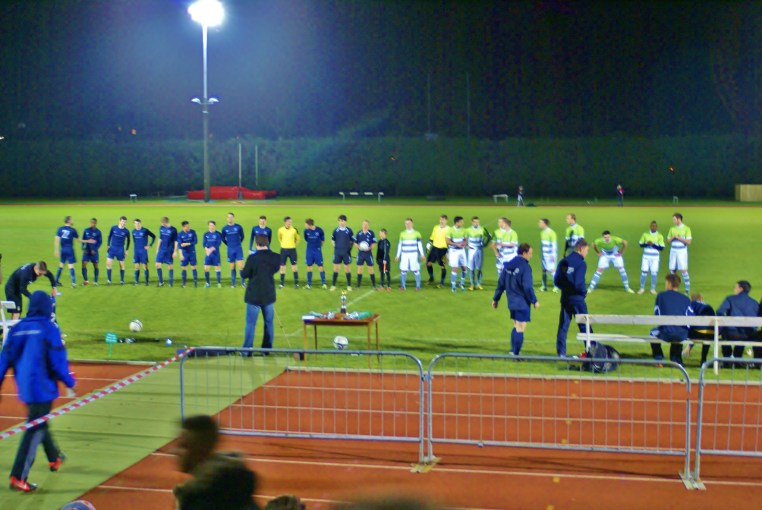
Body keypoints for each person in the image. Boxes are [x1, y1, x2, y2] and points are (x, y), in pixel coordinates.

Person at [0, 290, 76, 492]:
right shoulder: (49, 328)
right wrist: (69, 382)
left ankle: (54, 457)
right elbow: (58, 361)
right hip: (43, 387)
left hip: (25, 387)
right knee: (34, 429)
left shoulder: (17, 328)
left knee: (39, 421)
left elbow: (4, 359)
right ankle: (18, 476)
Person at [173, 415, 256, 510]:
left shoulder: (204, 499)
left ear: (200, 449)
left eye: (184, 446)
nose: (175, 451)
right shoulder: (237, 482)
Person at [493, 243, 538, 355]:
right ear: (524, 253)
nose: (531, 256)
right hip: (522, 302)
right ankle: (516, 354)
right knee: (520, 328)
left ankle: (513, 350)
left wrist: (496, 299)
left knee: (516, 325)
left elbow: (501, 283)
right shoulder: (525, 267)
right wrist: (534, 300)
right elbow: (527, 286)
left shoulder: (508, 265)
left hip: (511, 302)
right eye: (530, 253)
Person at [241, 235, 281, 350]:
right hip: (268, 295)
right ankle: (266, 349)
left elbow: (244, 274)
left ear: (256, 244)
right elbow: (275, 269)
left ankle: (247, 350)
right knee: (269, 323)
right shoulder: (276, 257)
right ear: (267, 243)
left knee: (250, 324)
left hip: (253, 296)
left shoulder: (252, 258)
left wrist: (244, 269)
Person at [554, 240, 590, 357]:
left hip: (565, 299)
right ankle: (592, 352)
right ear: (581, 249)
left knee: (563, 327)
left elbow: (556, 281)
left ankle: (561, 353)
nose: (587, 253)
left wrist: (566, 289)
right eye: (587, 250)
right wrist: (584, 292)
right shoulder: (581, 263)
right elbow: (579, 283)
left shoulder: (563, 261)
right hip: (577, 300)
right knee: (584, 326)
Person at [650, 274, 694, 365]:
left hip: (666, 333)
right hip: (682, 334)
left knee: (652, 333)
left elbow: (657, 314)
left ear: (669, 283)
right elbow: (691, 316)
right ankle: (676, 359)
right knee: (679, 330)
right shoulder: (685, 298)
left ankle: (658, 359)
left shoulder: (661, 296)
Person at [716, 280, 759, 359]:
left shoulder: (730, 299)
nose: (734, 289)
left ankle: (727, 358)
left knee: (725, 333)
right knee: (742, 336)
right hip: (748, 334)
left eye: (736, 287)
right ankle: (737, 358)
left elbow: (719, 312)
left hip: (731, 333)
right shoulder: (754, 302)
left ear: (741, 289)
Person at [395, 218, 426, 291]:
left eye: (409, 223)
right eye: (406, 223)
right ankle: (403, 286)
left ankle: (418, 286)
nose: (408, 225)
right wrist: (397, 255)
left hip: (413, 254)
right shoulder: (402, 233)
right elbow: (400, 245)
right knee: (403, 270)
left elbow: (419, 244)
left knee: (416, 270)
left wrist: (422, 254)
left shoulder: (417, 233)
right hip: (404, 254)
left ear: (412, 224)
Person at [685, 293, 716, 365]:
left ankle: (685, 351)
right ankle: (703, 359)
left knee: (687, 330)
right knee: (707, 335)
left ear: (691, 299)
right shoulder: (708, 305)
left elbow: (690, 318)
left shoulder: (692, 304)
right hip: (711, 333)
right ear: (701, 298)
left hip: (698, 332)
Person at [667, 212, 692, 294]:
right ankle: (672, 288)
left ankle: (687, 289)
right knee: (672, 270)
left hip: (681, 251)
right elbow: (668, 241)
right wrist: (673, 237)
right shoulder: (672, 229)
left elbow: (688, 242)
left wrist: (678, 238)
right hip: (673, 250)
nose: (673, 221)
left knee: (683, 270)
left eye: (674, 219)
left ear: (679, 219)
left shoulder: (686, 229)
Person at [638, 221, 665, 295]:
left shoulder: (660, 236)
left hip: (655, 257)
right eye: (652, 226)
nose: (653, 227)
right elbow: (640, 245)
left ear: (657, 227)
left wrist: (652, 245)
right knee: (644, 272)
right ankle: (641, 288)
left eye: (655, 226)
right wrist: (647, 244)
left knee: (654, 272)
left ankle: (653, 289)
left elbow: (661, 248)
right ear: (650, 226)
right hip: (646, 256)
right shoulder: (645, 234)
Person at [465, 216, 490, 290]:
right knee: (471, 268)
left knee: (479, 268)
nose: (476, 223)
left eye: (478, 222)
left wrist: (485, 244)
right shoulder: (468, 230)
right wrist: (466, 245)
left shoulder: (482, 229)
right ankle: (472, 284)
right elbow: (464, 238)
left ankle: (479, 284)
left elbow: (489, 236)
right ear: (472, 222)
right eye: (475, 222)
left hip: (479, 250)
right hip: (471, 250)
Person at [221, 212, 246, 288]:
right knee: (232, 267)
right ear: (227, 218)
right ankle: (233, 283)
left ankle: (243, 283)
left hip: (238, 249)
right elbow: (223, 239)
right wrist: (229, 244)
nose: (230, 218)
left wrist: (238, 243)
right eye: (228, 217)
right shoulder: (224, 229)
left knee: (241, 266)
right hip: (230, 250)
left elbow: (242, 236)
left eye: (231, 217)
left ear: (233, 218)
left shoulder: (238, 227)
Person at [331, 214, 354, 291]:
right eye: (340, 221)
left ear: (345, 222)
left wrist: (349, 250)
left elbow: (352, 241)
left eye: (342, 221)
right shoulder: (336, 230)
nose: (341, 222)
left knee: (347, 269)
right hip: (337, 253)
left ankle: (349, 285)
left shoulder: (349, 231)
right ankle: (333, 285)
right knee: (336, 269)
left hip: (346, 253)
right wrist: (336, 247)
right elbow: (333, 240)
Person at [54, 216, 78, 288]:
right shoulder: (73, 230)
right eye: (72, 219)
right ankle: (73, 283)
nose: (73, 221)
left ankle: (56, 281)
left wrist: (56, 250)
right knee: (71, 266)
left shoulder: (60, 229)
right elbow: (78, 240)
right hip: (70, 250)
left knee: (61, 265)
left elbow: (57, 239)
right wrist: (87, 241)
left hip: (63, 250)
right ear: (69, 221)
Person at [425, 215, 449, 287]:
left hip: (443, 249)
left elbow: (450, 241)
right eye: (441, 219)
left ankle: (442, 282)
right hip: (434, 248)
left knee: (442, 266)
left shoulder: (449, 229)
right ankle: (431, 278)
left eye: (443, 220)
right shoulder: (436, 227)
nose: (442, 221)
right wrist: (428, 245)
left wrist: (448, 253)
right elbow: (432, 238)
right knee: (428, 263)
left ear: (446, 221)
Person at [106, 216, 130, 285]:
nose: (123, 223)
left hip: (120, 249)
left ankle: (122, 280)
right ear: (119, 221)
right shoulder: (113, 228)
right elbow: (109, 236)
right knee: (108, 264)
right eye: (122, 221)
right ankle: (109, 280)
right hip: (112, 248)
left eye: (125, 222)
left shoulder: (126, 231)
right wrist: (108, 245)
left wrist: (127, 250)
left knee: (122, 265)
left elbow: (129, 241)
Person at [303, 218, 326, 289]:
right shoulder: (306, 231)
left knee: (320, 266)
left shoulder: (319, 230)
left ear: (310, 225)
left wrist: (318, 247)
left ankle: (324, 284)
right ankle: (309, 284)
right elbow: (306, 239)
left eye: (306, 224)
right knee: (309, 266)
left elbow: (322, 240)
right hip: (309, 251)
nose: (305, 226)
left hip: (317, 251)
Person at [446, 216, 468, 292]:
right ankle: (453, 286)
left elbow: (465, 239)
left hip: (462, 251)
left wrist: (464, 243)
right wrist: (456, 244)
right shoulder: (450, 230)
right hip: (453, 251)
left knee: (464, 268)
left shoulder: (464, 230)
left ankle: (462, 283)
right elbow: (447, 241)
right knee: (455, 268)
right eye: (461, 222)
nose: (463, 223)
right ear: (457, 222)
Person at [131, 219, 156, 286]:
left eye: (138, 223)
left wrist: (150, 245)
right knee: (136, 267)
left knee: (145, 266)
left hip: (143, 251)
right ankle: (136, 282)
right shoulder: (133, 231)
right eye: (135, 223)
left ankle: (147, 282)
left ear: (140, 223)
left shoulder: (145, 230)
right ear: (134, 224)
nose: (137, 225)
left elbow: (153, 236)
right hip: (136, 251)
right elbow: (134, 240)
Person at [277, 216, 300, 289]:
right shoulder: (280, 230)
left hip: (292, 250)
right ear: (285, 222)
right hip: (283, 250)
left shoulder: (294, 230)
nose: (290, 223)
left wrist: (293, 245)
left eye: (291, 222)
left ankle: (296, 284)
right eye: (288, 222)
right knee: (282, 267)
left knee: (294, 267)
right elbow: (279, 238)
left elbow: (297, 239)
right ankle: (281, 284)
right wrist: (283, 244)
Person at [155, 217, 178, 287]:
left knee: (170, 266)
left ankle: (170, 283)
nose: (162, 224)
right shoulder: (161, 228)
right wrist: (157, 249)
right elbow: (160, 238)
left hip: (169, 250)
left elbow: (176, 241)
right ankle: (161, 282)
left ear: (166, 222)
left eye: (163, 223)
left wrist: (175, 251)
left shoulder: (173, 230)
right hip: (162, 249)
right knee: (157, 264)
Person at [538, 218, 559, 293]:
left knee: (552, 270)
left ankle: (556, 286)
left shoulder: (552, 233)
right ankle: (544, 286)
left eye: (540, 222)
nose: (539, 224)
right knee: (544, 270)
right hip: (544, 255)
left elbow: (554, 245)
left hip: (550, 255)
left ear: (544, 224)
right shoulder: (542, 233)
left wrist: (553, 255)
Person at [355, 220, 377, 289]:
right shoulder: (358, 233)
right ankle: (358, 285)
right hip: (360, 254)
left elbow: (374, 243)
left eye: (366, 224)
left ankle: (374, 285)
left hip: (368, 254)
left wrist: (369, 248)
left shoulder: (371, 233)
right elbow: (355, 242)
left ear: (368, 226)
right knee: (360, 269)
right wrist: (359, 247)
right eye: (364, 224)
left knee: (370, 269)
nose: (365, 226)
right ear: (362, 225)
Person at [81, 217, 102, 285]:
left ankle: (95, 281)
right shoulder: (86, 230)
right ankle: (86, 280)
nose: (92, 224)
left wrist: (95, 249)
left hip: (94, 253)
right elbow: (83, 240)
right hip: (87, 251)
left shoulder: (98, 232)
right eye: (91, 222)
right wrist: (83, 248)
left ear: (96, 223)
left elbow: (100, 242)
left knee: (95, 266)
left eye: (93, 223)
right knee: (84, 264)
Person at [178, 221, 199, 288]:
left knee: (193, 267)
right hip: (184, 253)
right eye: (187, 227)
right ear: (183, 227)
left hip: (192, 252)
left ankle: (195, 284)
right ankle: (184, 284)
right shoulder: (180, 234)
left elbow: (195, 241)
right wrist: (180, 254)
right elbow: (180, 245)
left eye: (189, 226)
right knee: (184, 268)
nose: (188, 228)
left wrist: (187, 243)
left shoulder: (193, 232)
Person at [203, 221, 223, 288]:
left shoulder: (218, 234)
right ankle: (207, 283)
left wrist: (210, 249)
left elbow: (218, 244)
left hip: (215, 254)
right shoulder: (206, 234)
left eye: (212, 225)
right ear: (208, 226)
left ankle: (219, 283)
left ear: (214, 226)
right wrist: (206, 249)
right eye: (210, 225)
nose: (211, 227)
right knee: (206, 268)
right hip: (208, 254)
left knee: (217, 268)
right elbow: (204, 244)